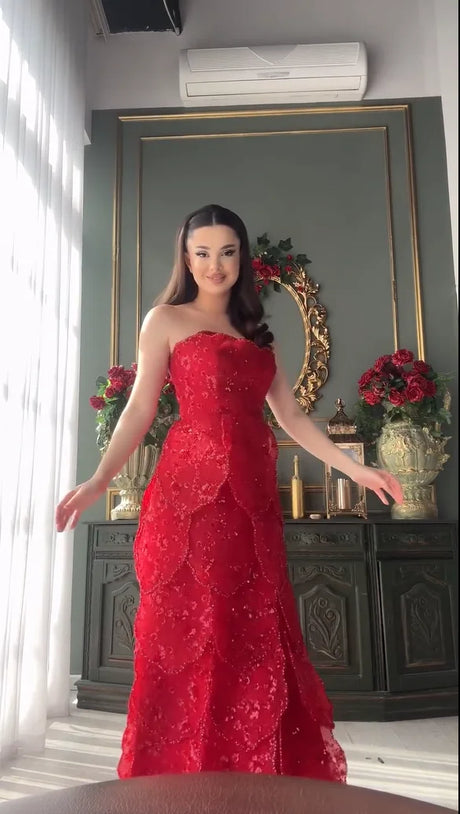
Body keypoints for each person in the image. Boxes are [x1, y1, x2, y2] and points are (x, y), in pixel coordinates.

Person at [56, 204, 403, 782]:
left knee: (251, 631)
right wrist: (100, 479)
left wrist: (355, 469)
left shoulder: (257, 333)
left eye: (226, 252)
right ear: (185, 259)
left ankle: (249, 774)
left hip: (252, 502)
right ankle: (182, 775)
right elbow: (141, 409)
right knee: (192, 631)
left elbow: (291, 416)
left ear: (242, 258)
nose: (214, 265)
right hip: (188, 500)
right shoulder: (164, 319)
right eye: (202, 252)